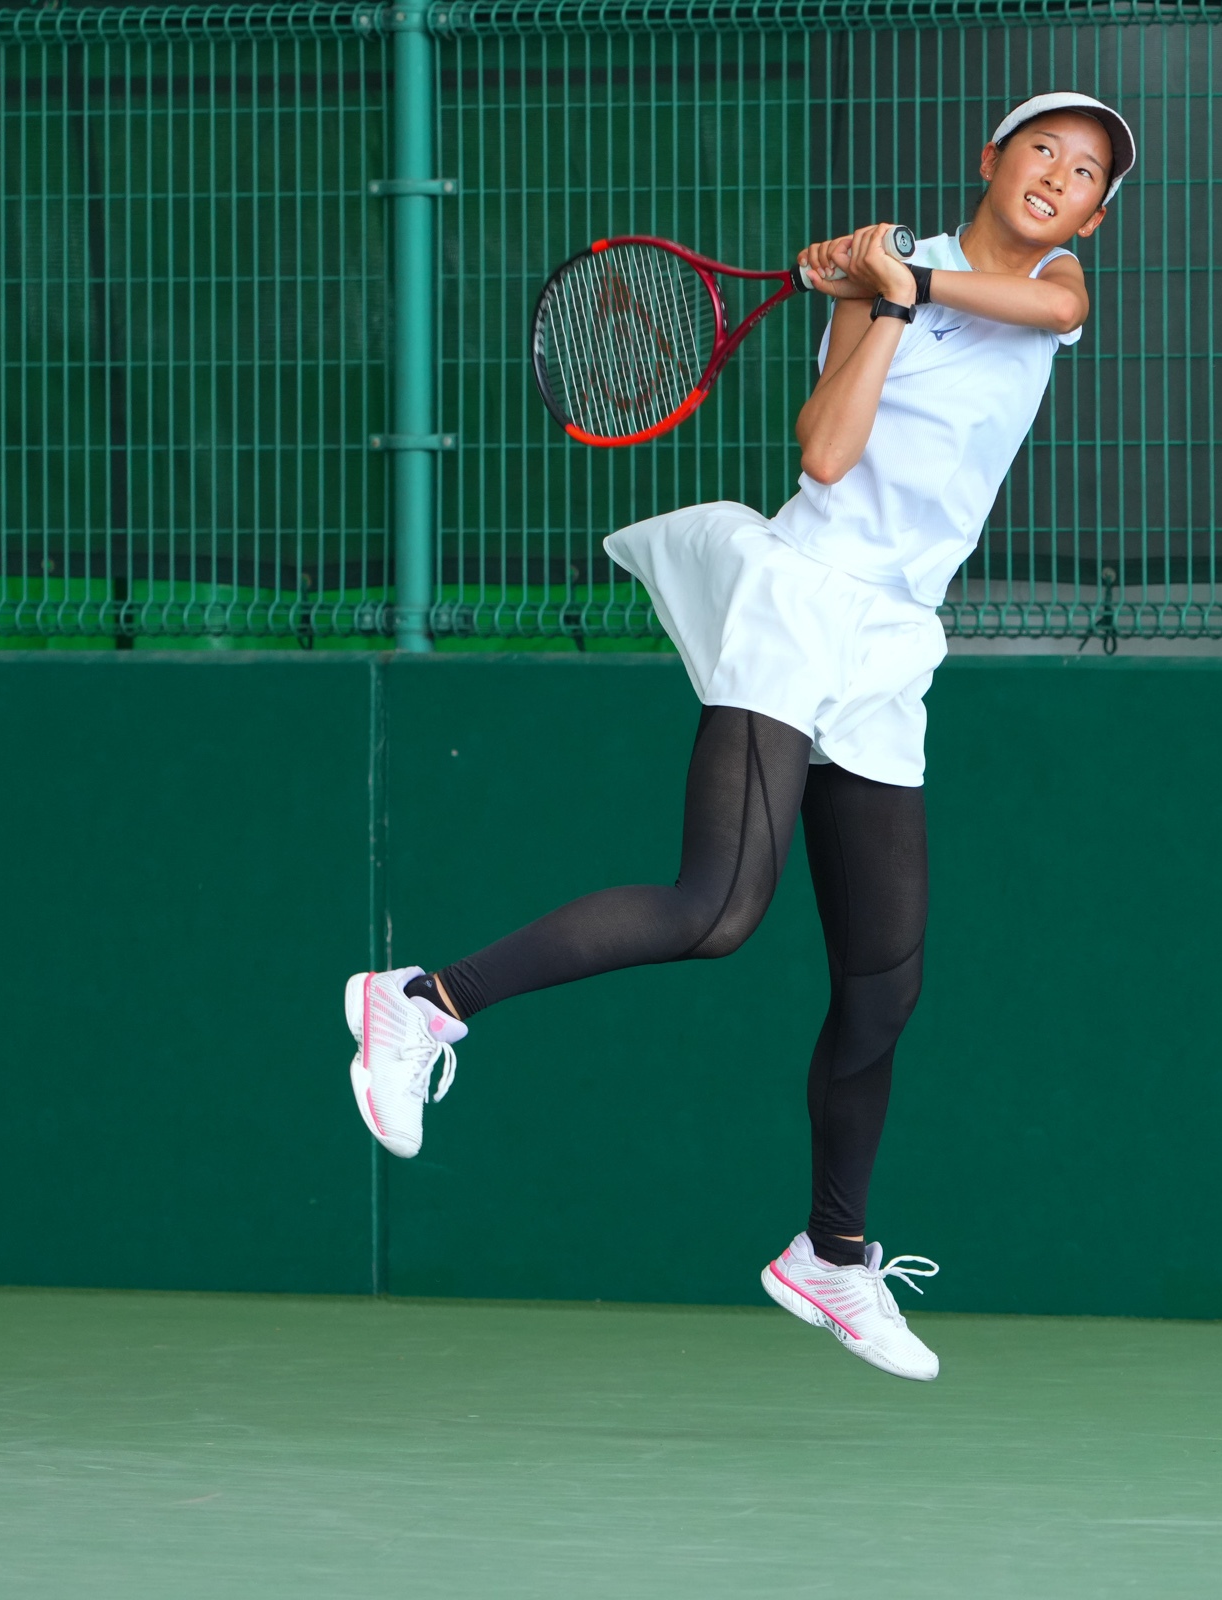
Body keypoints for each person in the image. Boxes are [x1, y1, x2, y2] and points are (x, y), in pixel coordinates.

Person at [345, 93, 1137, 1382]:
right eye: (1043, 147)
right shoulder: (883, 282)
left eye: (1088, 170)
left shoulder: (1056, 289)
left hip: (893, 643)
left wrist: (900, 272)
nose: (1061, 173)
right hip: (800, 598)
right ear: (992, 160)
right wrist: (882, 303)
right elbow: (824, 456)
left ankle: (831, 1254)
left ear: (1091, 216)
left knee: (884, 982)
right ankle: (422, 1003)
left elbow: (1046, 315)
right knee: (714, 909)